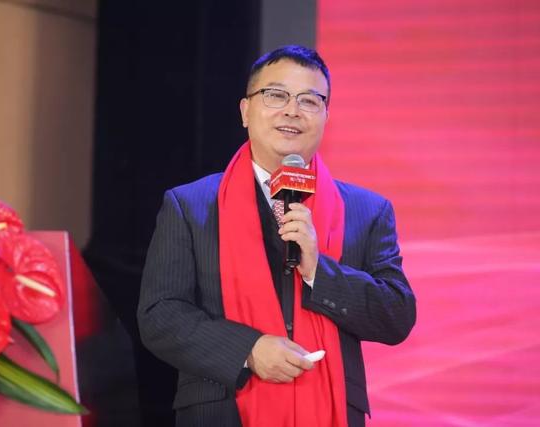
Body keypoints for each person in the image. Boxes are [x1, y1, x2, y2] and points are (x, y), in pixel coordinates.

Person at [137, 45, 416, 427]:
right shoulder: (190, 205)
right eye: (276, 95)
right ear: (245, 111)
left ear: (326, 117)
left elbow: (397, 316)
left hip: (330, 408)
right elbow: (160, 315)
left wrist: (319, 270)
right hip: (222, 411)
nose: (292, 110)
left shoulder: (367, 211)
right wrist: (247, 350)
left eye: (309, 100)